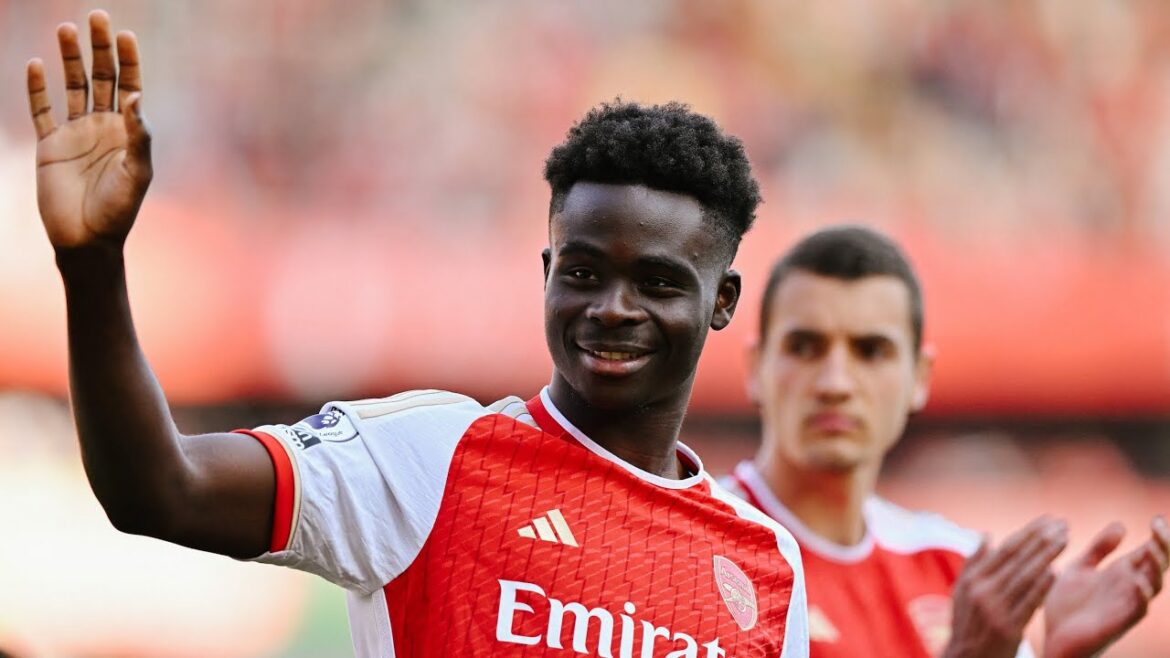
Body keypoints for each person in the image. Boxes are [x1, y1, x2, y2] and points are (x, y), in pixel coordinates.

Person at [25, 9, 809, 658]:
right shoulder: (429, 459)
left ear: (723, 300)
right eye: (583, 271)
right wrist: (92, 266)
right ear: (546, 271)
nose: (613, 306)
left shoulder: (765, 569)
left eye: (660, 283)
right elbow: (160, 490)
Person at [722, 225, 1170, 657]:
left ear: (920, 378)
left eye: (871, 351)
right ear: (756, 367)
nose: (836, 382)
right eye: (805, 347)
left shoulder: (956, 566)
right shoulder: (697, 543)